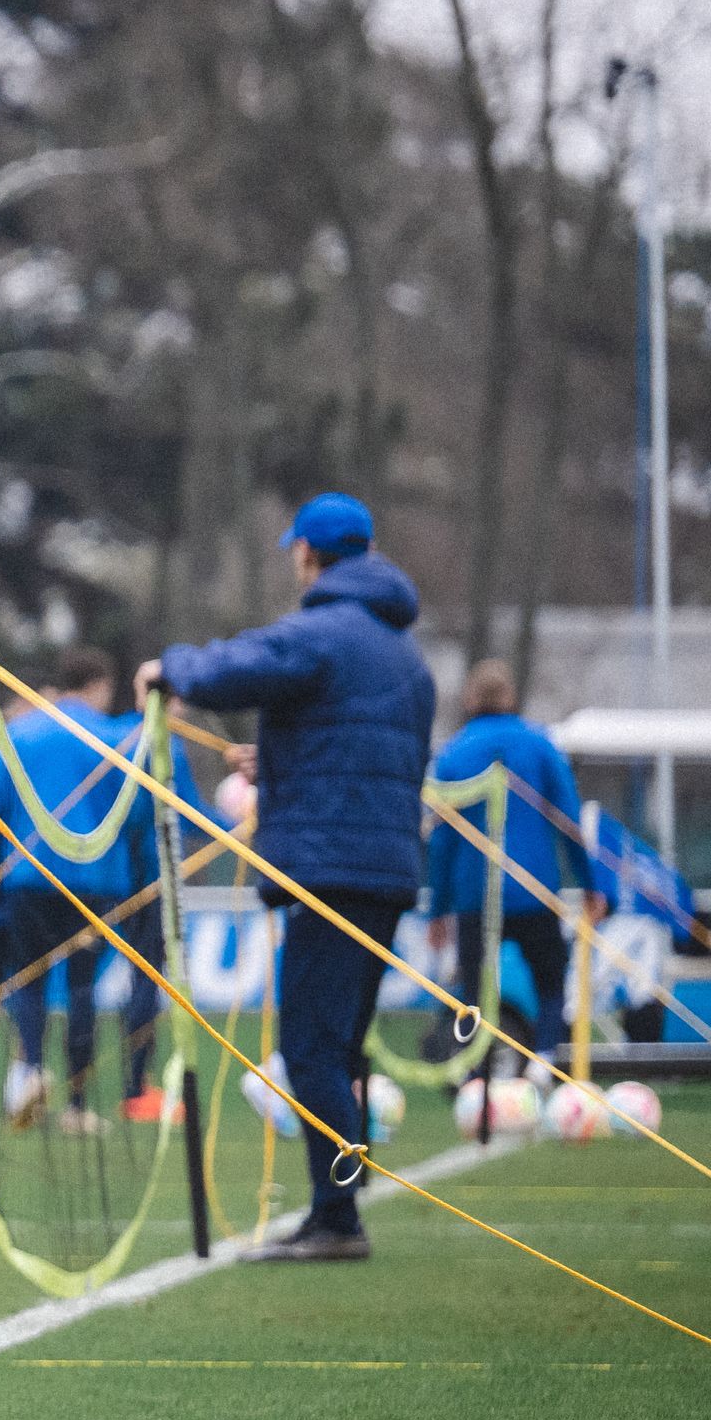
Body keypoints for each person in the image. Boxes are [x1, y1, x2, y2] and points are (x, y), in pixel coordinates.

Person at [141, 491, 434, 1261]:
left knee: (308, 1047)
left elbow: (240, 669)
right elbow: (358, 749)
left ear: (308, 553)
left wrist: (170, 669)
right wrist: (274, 761)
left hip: (329, 872)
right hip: (385, 868)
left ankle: (337, 1219)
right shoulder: (401, 651)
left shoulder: (324, 631)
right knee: (340, 1043)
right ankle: (344, 1191)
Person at [0, 647, 184, 1131]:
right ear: (100, 685)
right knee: (82, 987)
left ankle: (28, 1078)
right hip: (93, 882)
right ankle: (77, 1104)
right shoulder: (113, 738)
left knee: (29, 982)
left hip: (27, 878)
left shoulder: (18, 735)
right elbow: (133, 815)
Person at [424, 658, 590, 1078]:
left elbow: (441, 839)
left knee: (475, 990)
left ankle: (472, 1070)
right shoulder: (539, 744)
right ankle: (545, 1059)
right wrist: (590, 884)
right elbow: (568, 819)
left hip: (474, 893)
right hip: (534, 887)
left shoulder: (454, 753)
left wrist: (438, 907)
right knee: (550, 982)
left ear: (469, 698)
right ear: (512, 697)